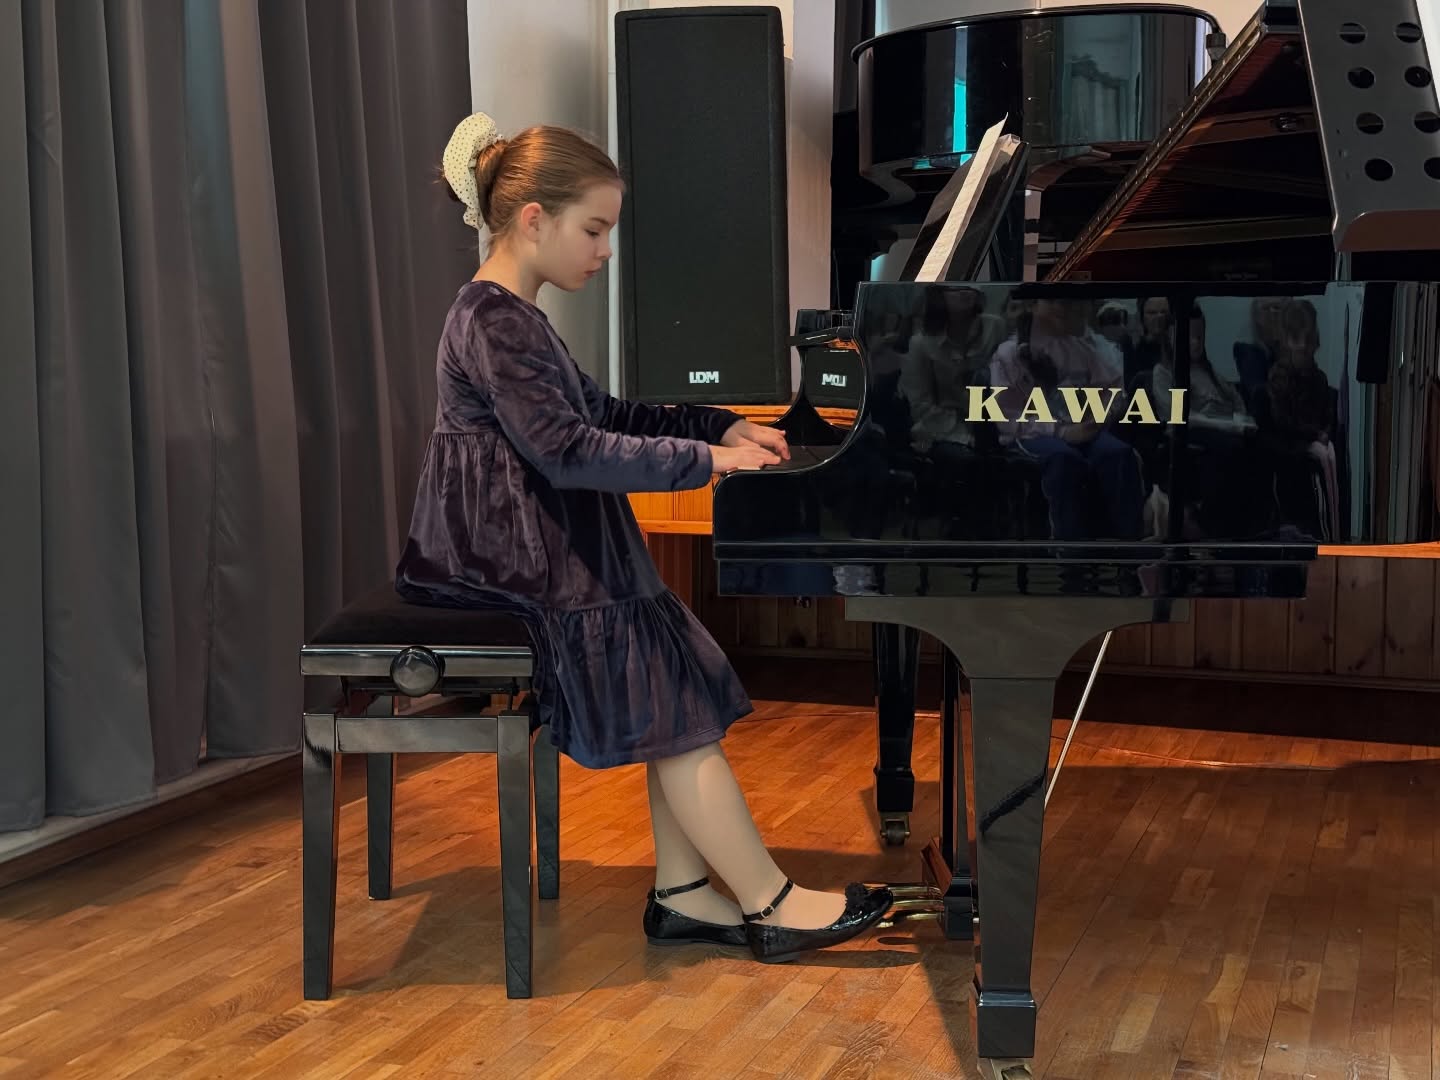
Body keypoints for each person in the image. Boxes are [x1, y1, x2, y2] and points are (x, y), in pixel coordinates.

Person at [395, 112, 892, 963]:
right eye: (594, 229)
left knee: (680, 685)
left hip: (540, 544)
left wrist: (721, 424)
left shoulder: (517, 316)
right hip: (504, 561)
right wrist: (708, 461)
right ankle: (769, 904)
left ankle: (687, 893)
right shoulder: (492, 320)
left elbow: (608, 414)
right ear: (534, 220)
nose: (605, 250)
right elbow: (567, 450)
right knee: (678, 698)